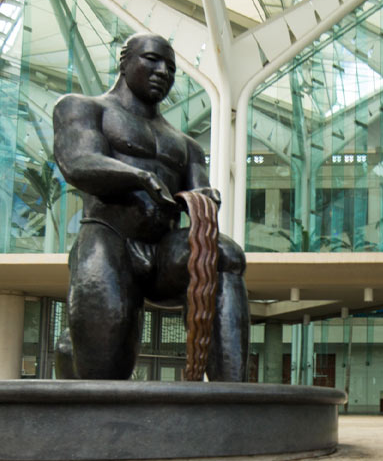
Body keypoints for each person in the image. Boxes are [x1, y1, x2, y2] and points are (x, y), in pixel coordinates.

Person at [51, 33, 247, 381]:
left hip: (161, 253)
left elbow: (198, 186)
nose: (163, 72)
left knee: (224, 254)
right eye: (152, 60)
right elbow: (77, 163)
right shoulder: (84, 108)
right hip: (109, 238)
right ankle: (73, 347)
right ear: (124, 61)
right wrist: (138, 177)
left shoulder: (185, 145)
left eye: (170, 68)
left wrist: (205, 197)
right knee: (104, 373)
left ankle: (229, 396)